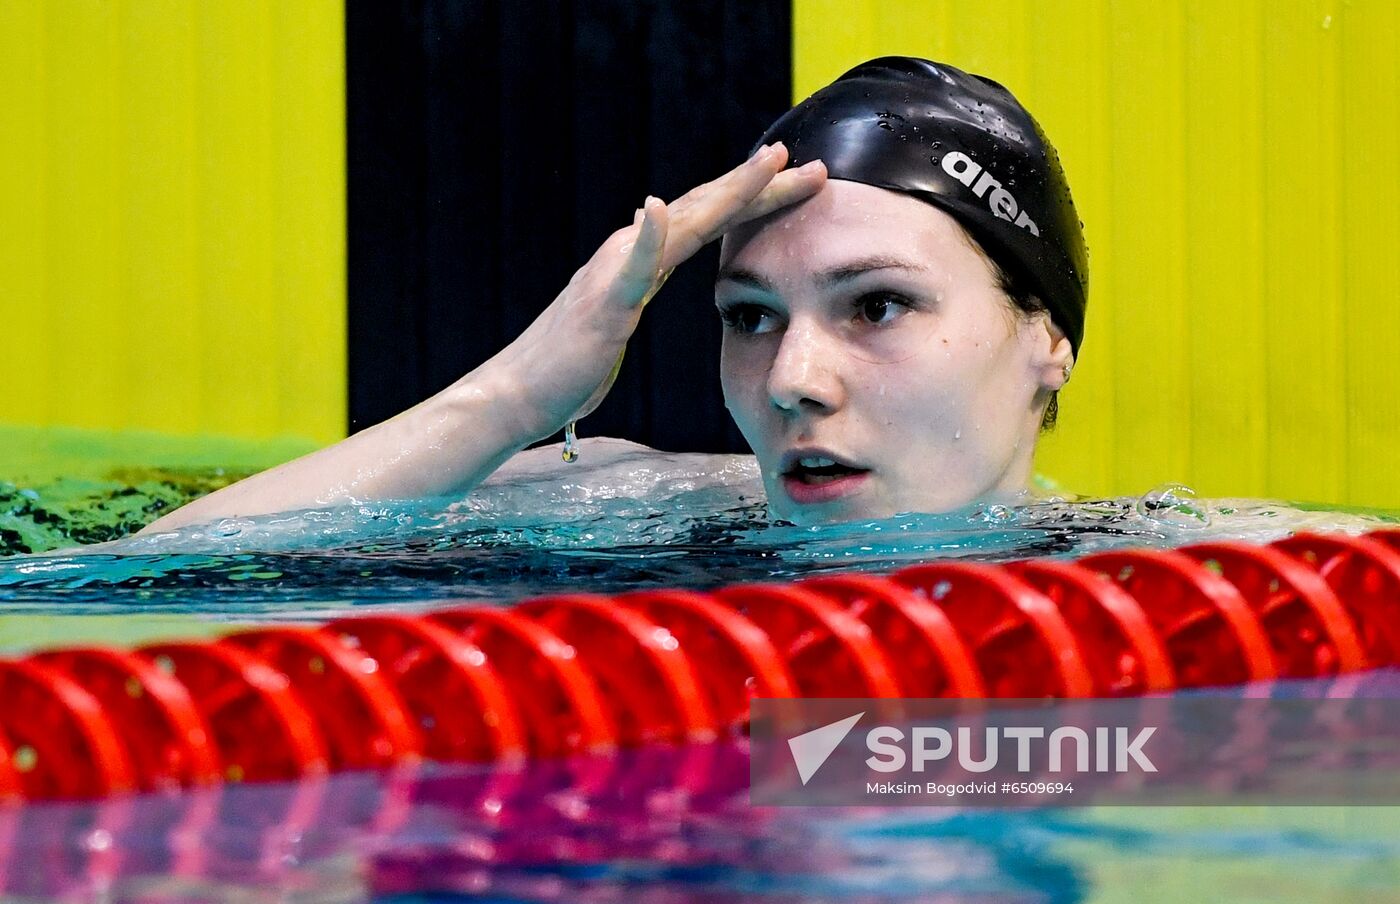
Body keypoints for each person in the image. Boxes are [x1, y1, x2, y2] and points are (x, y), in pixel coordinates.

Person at [140, 56, 1085, 534]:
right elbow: (142, 576)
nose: (794, 380)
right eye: (749, 316)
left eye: (876, 305)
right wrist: (520, 396)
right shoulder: (651, 508)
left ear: (1048, 340)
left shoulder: (1179, 576)